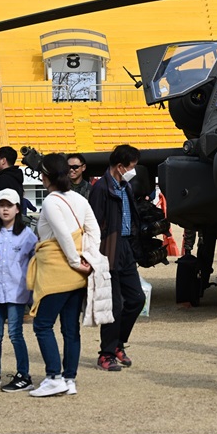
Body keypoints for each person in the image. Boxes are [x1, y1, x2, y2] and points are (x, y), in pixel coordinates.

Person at [28, 154, 99, 397]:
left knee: (42, 324)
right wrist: (89, 258)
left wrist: (73, 261)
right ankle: (69, 378)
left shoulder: (51, 201)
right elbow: (94, 230)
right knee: (70, 328)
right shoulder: (79, 198)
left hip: (58, 271)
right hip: (78, 271)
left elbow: (62, 235)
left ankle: (53, 376)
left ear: (46, 175)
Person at [89, 144, 146, 371]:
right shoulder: (101, 188)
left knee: (137, 299)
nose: (133, 170)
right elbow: (93, 224)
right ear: (120, 166)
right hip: (108, 249)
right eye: (131, 167)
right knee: (114, 305)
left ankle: (119, 344)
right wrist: (96, 254)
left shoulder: (125, 186)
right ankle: (106, 353)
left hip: (125, 247)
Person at [0, 189, 38, 392]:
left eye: (9, 205)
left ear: (17, 208)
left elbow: (36, 259)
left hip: (17, 292)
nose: (5, 209)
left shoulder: (27, 235)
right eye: (1, 205)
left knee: (15, 334)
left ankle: (24, 374)